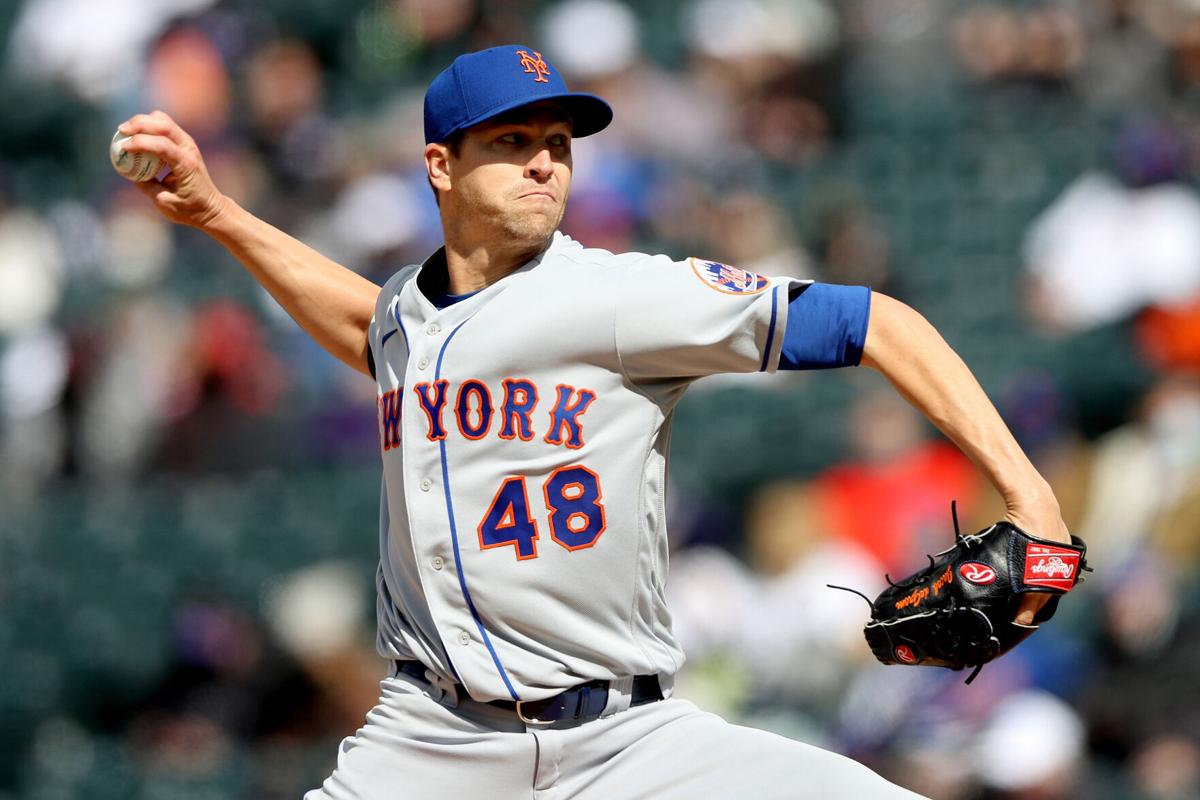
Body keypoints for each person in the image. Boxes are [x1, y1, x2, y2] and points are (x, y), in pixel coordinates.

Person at [120, 44, 1070, 800]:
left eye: (559, 142)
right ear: (439, 166)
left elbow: (879, 323)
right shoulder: (409, 310)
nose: (544, 161)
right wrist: (219, 216)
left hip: (630, 743)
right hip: (429, 744)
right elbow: (372, 328)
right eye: (513, 140)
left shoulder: (620, 297)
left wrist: (1028, 491)